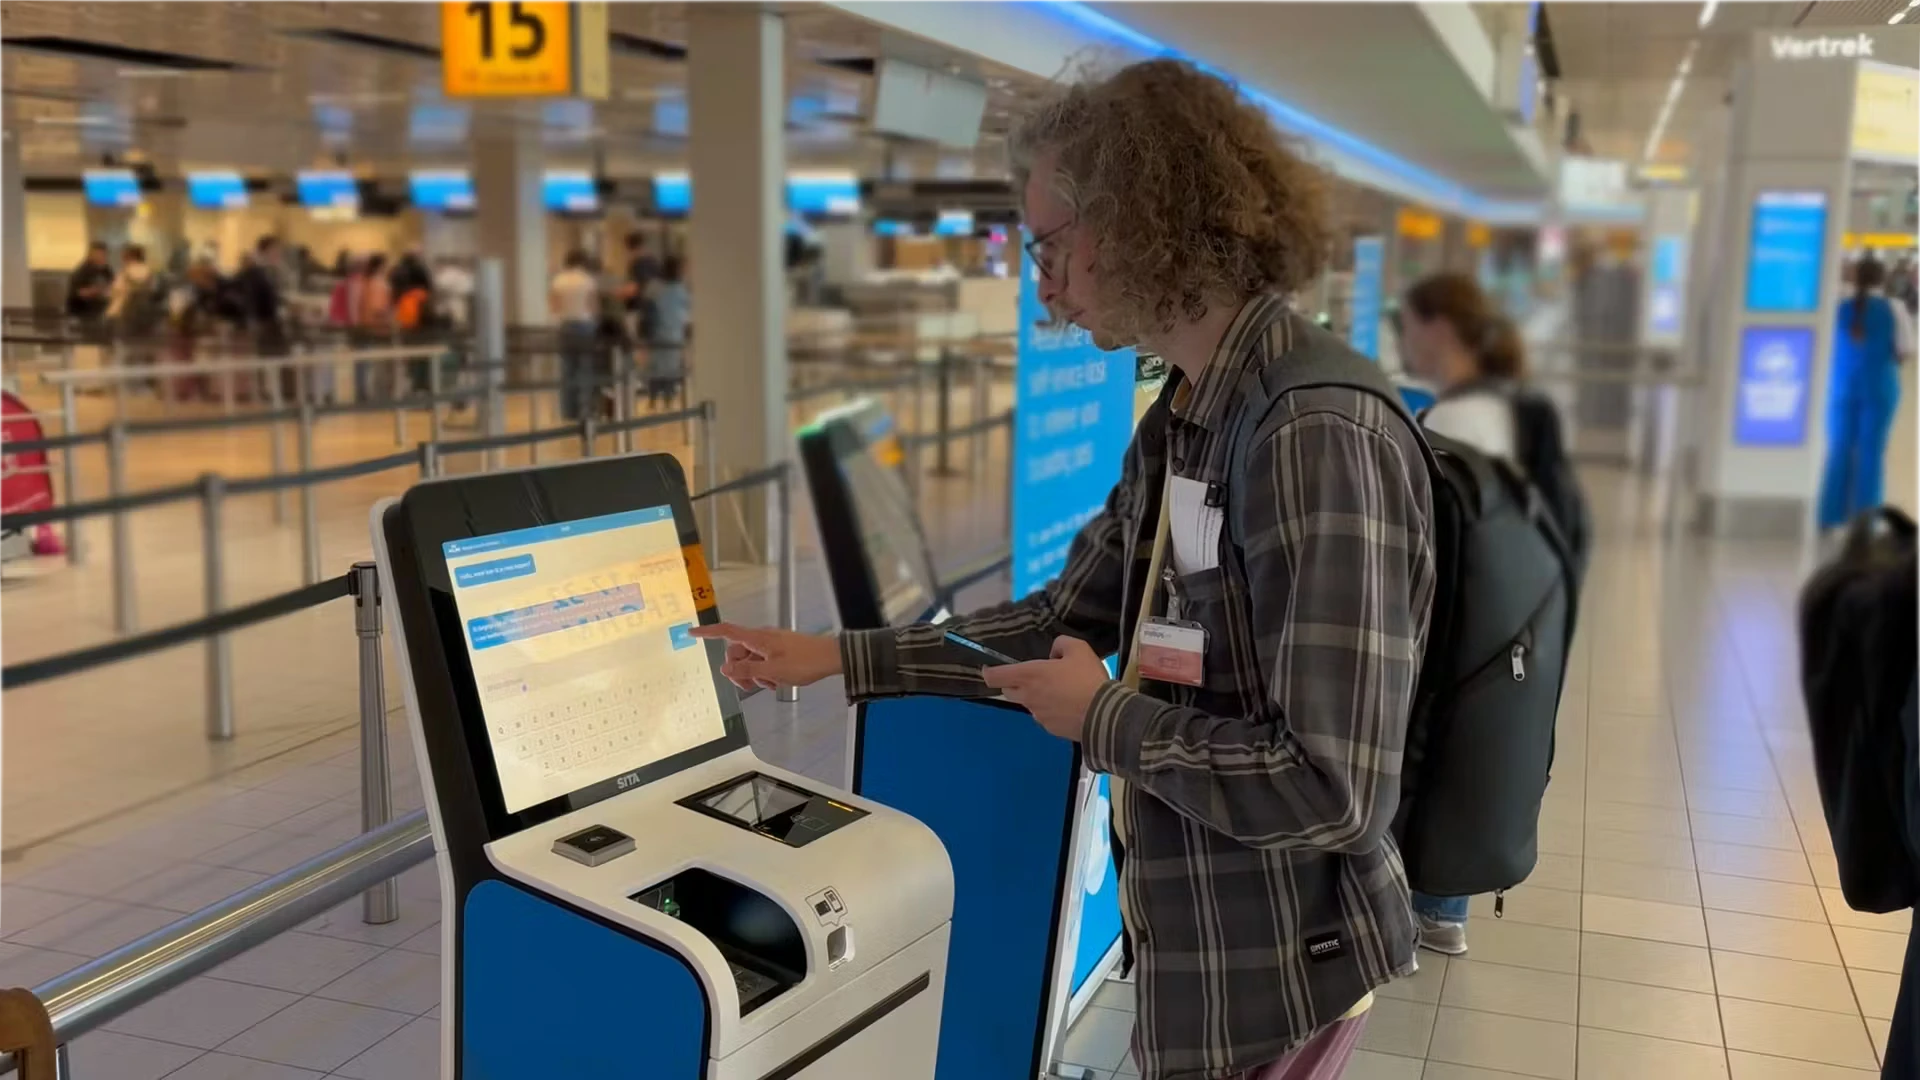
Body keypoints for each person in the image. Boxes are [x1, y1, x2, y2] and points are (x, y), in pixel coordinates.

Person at [693, 59, 1434, 1080]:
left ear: (1142, 223)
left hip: (1277, 974)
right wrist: (834, 655)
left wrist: (1104, 718)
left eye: (1048, 246)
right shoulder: (1190, 413)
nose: (1038, 282)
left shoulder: (1311, 431)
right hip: (1206, 951)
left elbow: (1331, 789)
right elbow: (1060, 618)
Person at [1392, 270, 1534, 956]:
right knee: (1463, 755)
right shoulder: (1501, 403)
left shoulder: (1456, 420)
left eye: (1410, 327)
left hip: (1451, 615)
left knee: (1424, 755)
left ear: (1439, 328)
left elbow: (1433, 527)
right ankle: (1444, 910)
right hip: (1498, 616)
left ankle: (1413, 915)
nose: (1405, 342)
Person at [1819, 255, 1912, 532]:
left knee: (1839, 448)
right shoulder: (1894, 308)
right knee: (1871, 450)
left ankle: (1829, 515)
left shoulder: (1838, 307)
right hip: (1879, 386)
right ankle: (1865, 521)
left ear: (1855, 278)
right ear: (1883, 279)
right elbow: (1905, 349)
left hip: (1841, 386)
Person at [551, 250, 602, 421]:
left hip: (564, 326)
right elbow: (593, 305)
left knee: (567, 369)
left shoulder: (558, 279)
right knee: (585, 368)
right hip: (585, 326)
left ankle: (567, 411)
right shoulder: (587, 280)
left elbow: (554, 305)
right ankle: (584, 409)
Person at [643, 256, 691, 408]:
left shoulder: (653, 287)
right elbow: (687, 311)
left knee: (655, 366)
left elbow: (646, 309)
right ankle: (668, 399)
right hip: (674, 333)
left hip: (657, 332)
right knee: (671, 367)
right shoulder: (681, 288)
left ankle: (653, 398)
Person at [107, 244, 161, 377]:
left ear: (129, 256)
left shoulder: (126, 271)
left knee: (121, 349)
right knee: (143, 350)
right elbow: (154, 291)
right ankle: (142, 379)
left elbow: (114, 291)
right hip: (145, 316)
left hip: (123, 313)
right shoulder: (150, 272)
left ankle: (122, 380)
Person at [355, 253, 393, 402]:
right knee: (379, 365)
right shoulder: (378, 284)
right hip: (378, 329)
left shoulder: (365, 282)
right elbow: (378, 308)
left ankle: (364, 392)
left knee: (365, 363)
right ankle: (379, 394)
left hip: (365, 325)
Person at [66, 242, 114, 333]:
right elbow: (79, 293)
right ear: (91, 254)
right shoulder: (82, 271)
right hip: (82, 316)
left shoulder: (107, 270)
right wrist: (97, 290)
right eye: (99, 254)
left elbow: (112, 287)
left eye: (104, 255)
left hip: (100, 316)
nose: (102, 257)